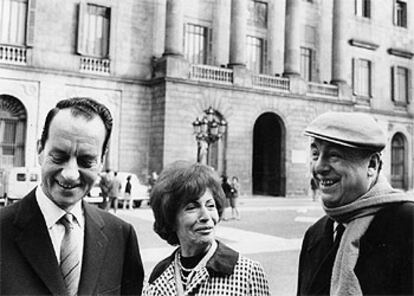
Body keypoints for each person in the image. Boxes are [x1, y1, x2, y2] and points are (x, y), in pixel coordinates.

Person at [0, 97, 144, 295]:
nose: (70, 173)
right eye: (59, 157)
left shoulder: (120, 235)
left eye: (86, 161)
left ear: (102, 160)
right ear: (40, 150)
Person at [297, 112, 414, 296]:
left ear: (372, 165)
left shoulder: (407, 225)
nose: (319, 167)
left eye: (334, 156)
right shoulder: (315, 234)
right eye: (315, 153)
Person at [143, 161, 270, 296]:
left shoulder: (247, 274)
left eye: (210, 205)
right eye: (192, 208)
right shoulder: (157, 279)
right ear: (171, 218)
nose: (206, 216)